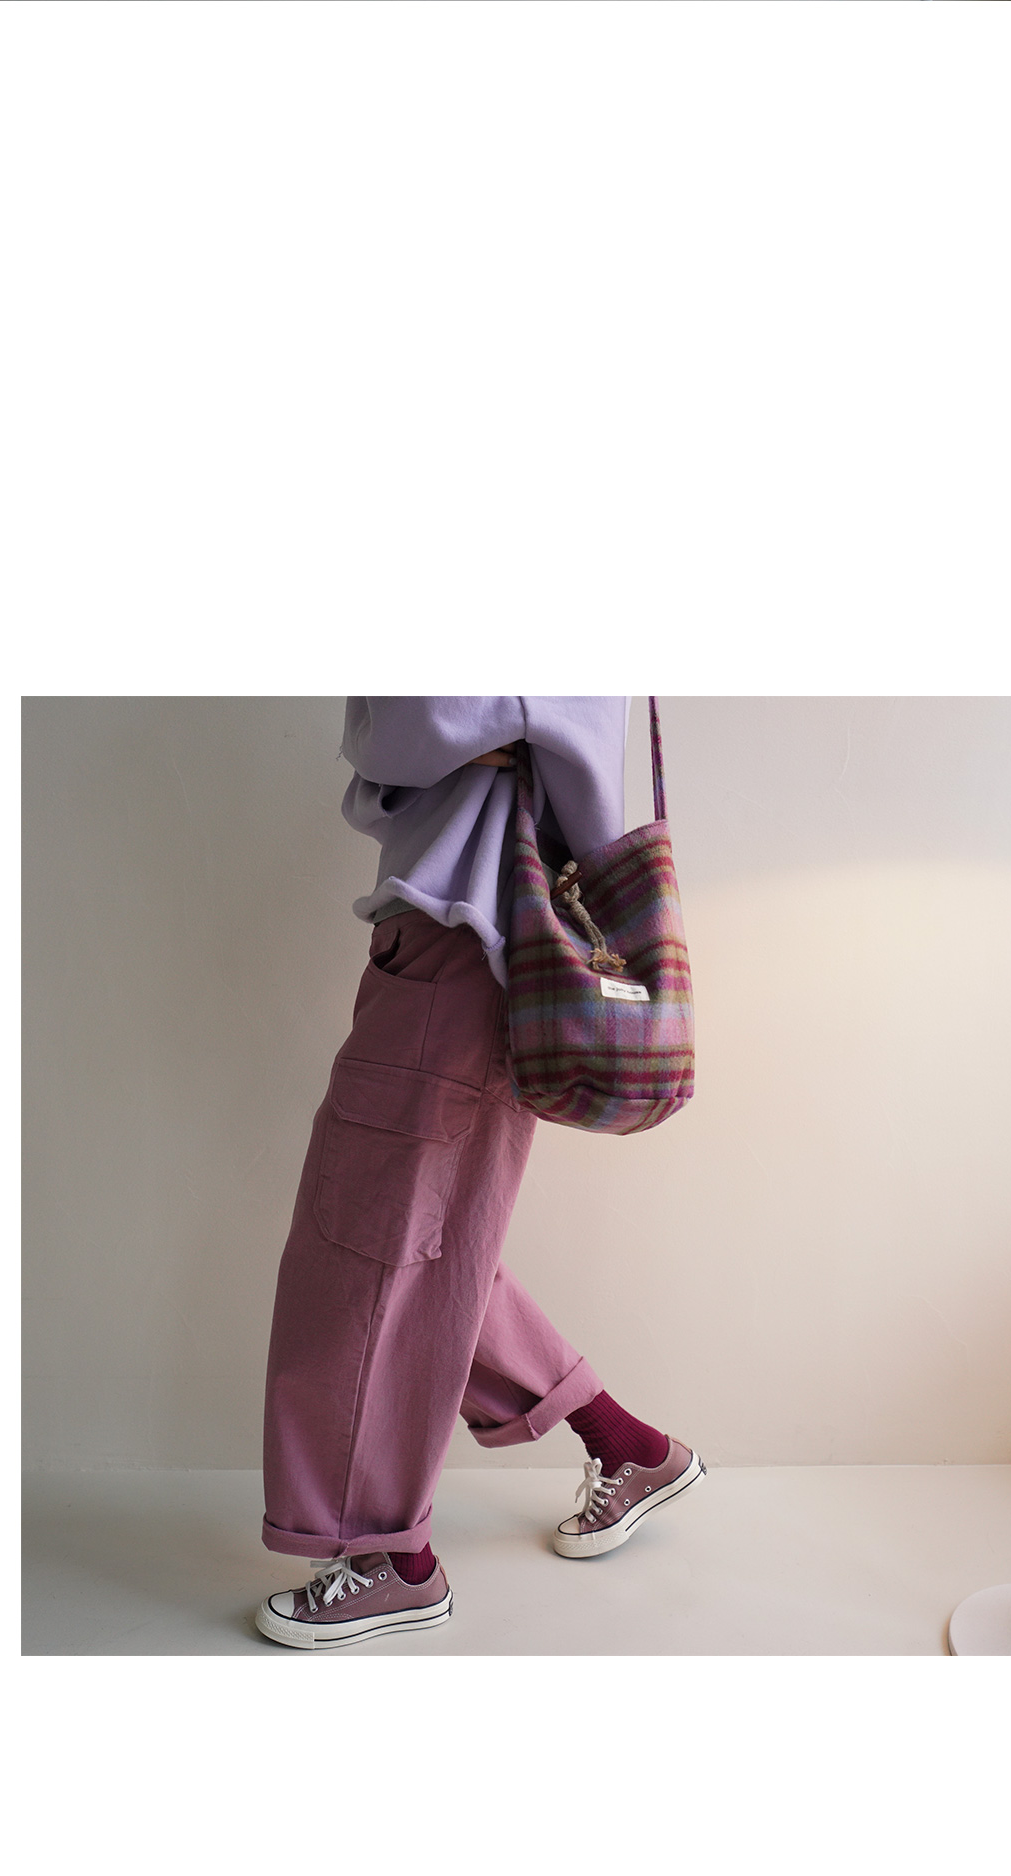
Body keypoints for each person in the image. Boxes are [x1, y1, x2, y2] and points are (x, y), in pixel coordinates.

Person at [255, 697, 704, 1648]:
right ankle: (627, 1446)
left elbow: (409, 728)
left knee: (367, 1254)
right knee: (429, 1247)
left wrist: (409, 728)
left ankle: (390, 1558)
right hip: (469, 942)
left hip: (465, 940)